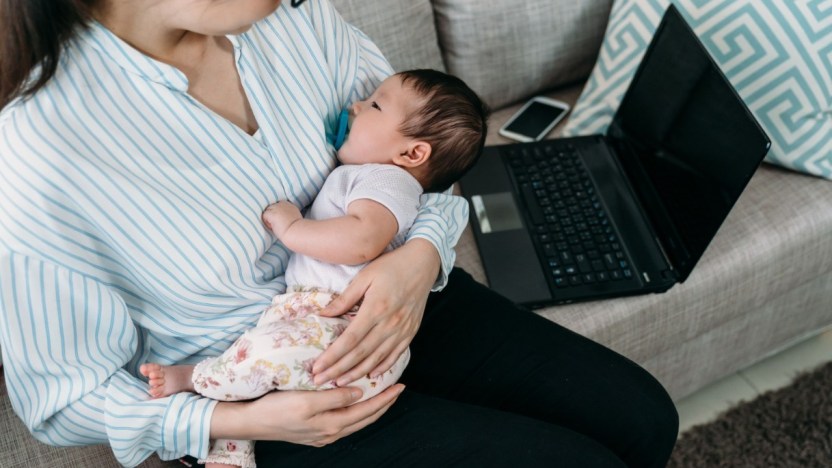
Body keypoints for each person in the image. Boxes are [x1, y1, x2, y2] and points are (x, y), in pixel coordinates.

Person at [0, 0, 679, 467]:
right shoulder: (38, 143)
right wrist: (242, 422)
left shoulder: (297, 19)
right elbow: (63, 399)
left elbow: (421, 165)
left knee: (643, 417)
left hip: (401, 303)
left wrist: (418, 259)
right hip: (269, 388)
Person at [138, 68, 489, 468]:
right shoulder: (378, 178)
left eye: (373, 104)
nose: (354, 107)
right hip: (323, 325)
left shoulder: (386, 180)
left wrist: (292, 228)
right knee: (271, 366)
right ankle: (231, 450)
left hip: (338, 322)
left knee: (263, 353)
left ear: (412, 154)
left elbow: (362, 241)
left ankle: (196, 380)